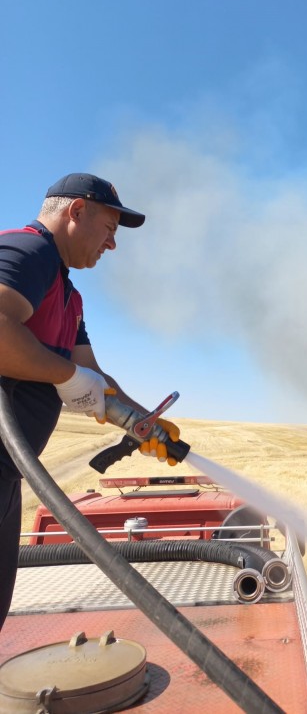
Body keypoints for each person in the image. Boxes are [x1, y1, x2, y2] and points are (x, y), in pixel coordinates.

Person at [0, 173, 179, 631]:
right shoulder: (29, 251)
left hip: (8, 476)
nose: (112, 245)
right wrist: (65, 374)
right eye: (109, 229)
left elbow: (94, 377)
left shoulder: (69, 297)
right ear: (77, 212)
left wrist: (143, 422)